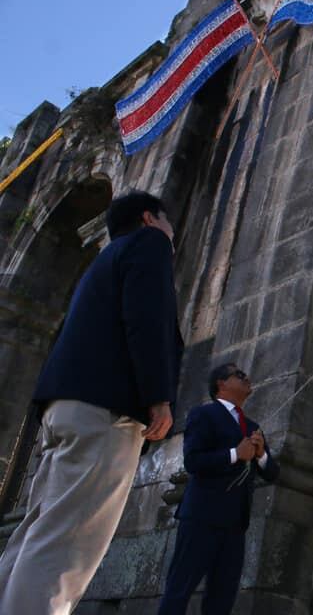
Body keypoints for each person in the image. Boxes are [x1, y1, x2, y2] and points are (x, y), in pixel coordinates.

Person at [0, 191, 183, 614]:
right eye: (168, 222)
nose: (171, 232)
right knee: (68, 546)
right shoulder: (149, 244)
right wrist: (158, 396)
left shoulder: (104, 262)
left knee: (37, 532)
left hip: (62, 408)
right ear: (149, 219)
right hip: (106, 411)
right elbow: (147, 318)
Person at [157, 363, 280, 615]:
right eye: (238, 374)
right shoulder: (204, 414)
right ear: (220, 385)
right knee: (179, 589)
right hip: (201, 517)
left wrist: (260, 456)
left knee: (222, 598)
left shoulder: (253, 425)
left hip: (235, 525)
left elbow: (272, 472)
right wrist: (235, 454)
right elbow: (193, 462)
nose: (246, 377)